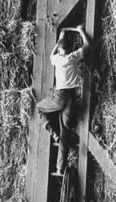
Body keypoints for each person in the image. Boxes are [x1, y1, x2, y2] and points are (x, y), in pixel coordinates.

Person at [36, 25, 91, 175]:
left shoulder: (57, 59)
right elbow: (87, 45)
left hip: (59, 96)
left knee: (39, 108)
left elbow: (51, 54)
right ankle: (60, 168)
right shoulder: (73, 57)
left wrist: (60, 38)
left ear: (61, 51)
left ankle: (50, 129)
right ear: (69, 49)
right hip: (72, 98)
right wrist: (81, 31)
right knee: (65, 133)